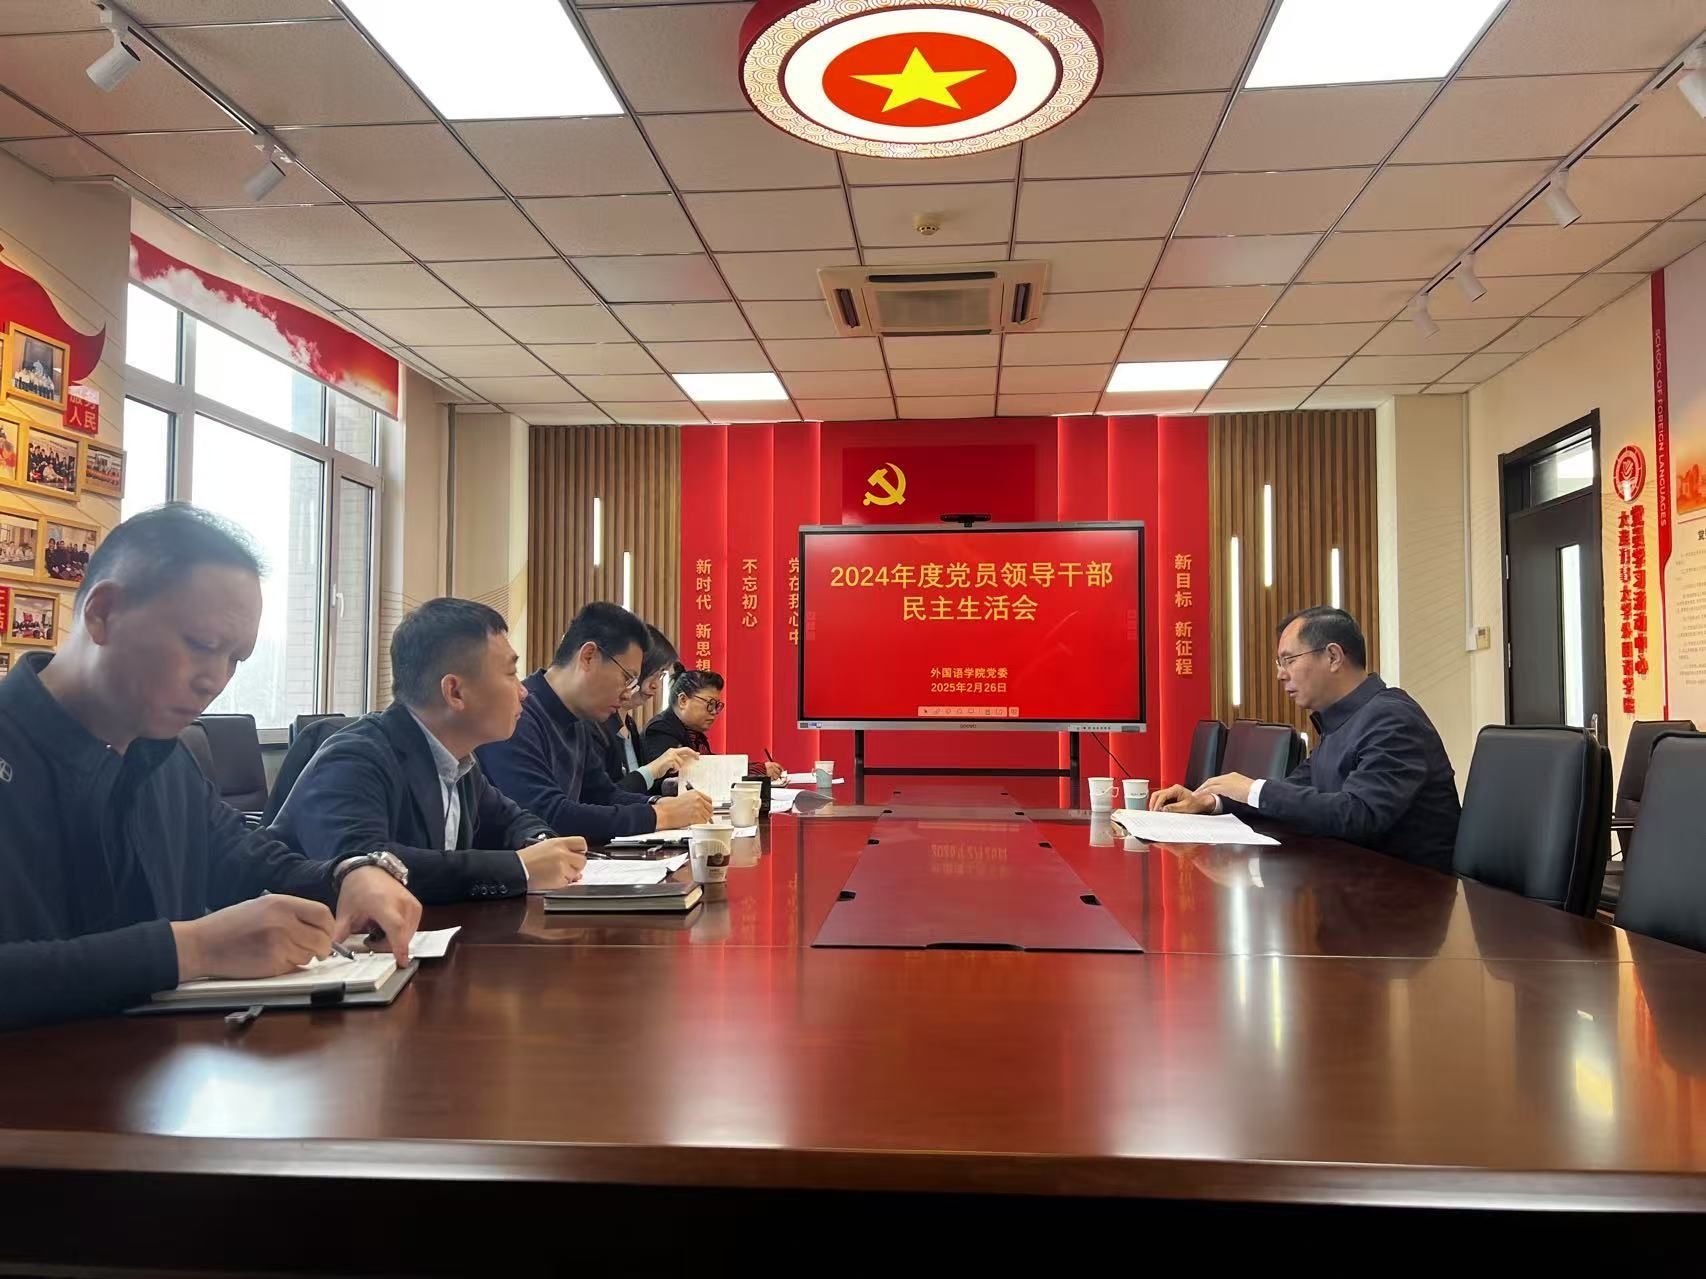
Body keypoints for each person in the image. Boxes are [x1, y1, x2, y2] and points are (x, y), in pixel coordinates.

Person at [0, 504, 421, 1030]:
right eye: (202, 646)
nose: (216, 680)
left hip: (156, 1068)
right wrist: (191, 949)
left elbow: (244, 858)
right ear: (103, 613)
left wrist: (346, 875)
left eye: (236, 659)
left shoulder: (167, 757)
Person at [272, 598, 588, 902]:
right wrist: (519, 868)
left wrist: (542, 845)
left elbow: (513, 821)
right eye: (510, 673)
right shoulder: (354, 759)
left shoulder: (459, 761)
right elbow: (366, 864)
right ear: (455, 691)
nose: (523, 692)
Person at [1149, 606, 1461, 872]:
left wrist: (1252, 789)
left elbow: (1360, 814)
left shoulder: (1392, 719)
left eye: (1289, 660)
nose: (1280, 674)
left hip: (1408, 898)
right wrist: (1211, 802)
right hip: (1354, 882)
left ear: (1333, 656)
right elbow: (1293, 794)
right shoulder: (1343, 720)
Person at [477, 603, 714, 844]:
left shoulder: (577, 720)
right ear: (588, 656)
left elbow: (604, 795)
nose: (627, 693)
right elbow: (547, 814)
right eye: (627, 678)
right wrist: (660, 815)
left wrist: (659, 803)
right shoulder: (518, 716)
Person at [641, 670, 786, 782]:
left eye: (717, 706)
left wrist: (754, 768)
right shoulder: (660, 730)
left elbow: (711, 765)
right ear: (683, 700)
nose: (714, 712)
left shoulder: (694, 733)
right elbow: (685, 777)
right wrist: (755, 770)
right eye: (710, 704)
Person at [602, 625, 698, 795]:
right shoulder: (597, 724)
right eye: (653, 673)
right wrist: (653, 770)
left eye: (661, 676)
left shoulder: (630, 725)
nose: (655, 685)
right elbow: (606, 798)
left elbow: (638, 789)